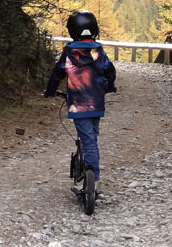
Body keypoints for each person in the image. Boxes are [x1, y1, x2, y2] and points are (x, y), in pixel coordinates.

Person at [44, 10, 117, 191]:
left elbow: (57, 73)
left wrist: (50, 91)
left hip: (78, 104)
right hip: (97, 103)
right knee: (91, 137)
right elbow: (110, 71)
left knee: (88, 141)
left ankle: (94, 179)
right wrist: (110, 86)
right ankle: (90, 172)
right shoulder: (99, 52)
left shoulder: (69, 53)